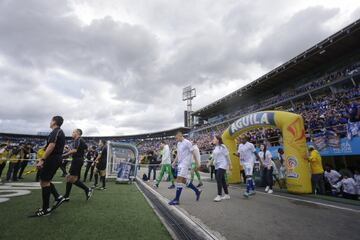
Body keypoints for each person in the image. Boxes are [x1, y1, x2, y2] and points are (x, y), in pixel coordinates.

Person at [31, 116, 66, 217]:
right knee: (46, 181)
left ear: (54, 122)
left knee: (44, 182)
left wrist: (42, 159)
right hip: (54, 158)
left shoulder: (56, 131)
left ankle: (46, 209)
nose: (50, 122)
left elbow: (51, 146)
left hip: (53, 158)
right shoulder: (57, 131)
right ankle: (58, 197)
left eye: (51, 120)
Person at [168, 132, 202, 205]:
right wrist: (174, 162)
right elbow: (178, 154)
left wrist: (197, 162)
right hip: (180, 163)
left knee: (178, 179)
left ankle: (176, 199)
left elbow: (193, 152)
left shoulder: (187, 142)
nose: (176, 140)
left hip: (185, 163)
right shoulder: (179, 144)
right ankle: (197, 191)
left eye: (177, 138)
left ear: (180, 136)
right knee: (183, 180)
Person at [60, 129, 93, 203]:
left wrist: (63, 155)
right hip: (78, 160)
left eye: (73, 132)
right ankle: (66, 196)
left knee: (72, 179)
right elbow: (86, 148)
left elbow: (74, 150)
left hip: (77, 160)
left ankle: (87, 189)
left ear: (78, 133)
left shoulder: (78, 139)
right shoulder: (82, 140)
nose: (72, 133)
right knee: (69, 178)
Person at [212, 135, 231, 202]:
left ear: (218, 140)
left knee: (218, 178)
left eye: (214, 138)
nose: (213, 140)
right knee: (222, 180)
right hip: (217, 166)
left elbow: (227, 156)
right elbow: (214, 157)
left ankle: (219, 195)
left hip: (223, 164)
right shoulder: (215, 148)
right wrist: (210, 163)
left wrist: (230, 165)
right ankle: (227, 195)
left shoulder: (223, 146)